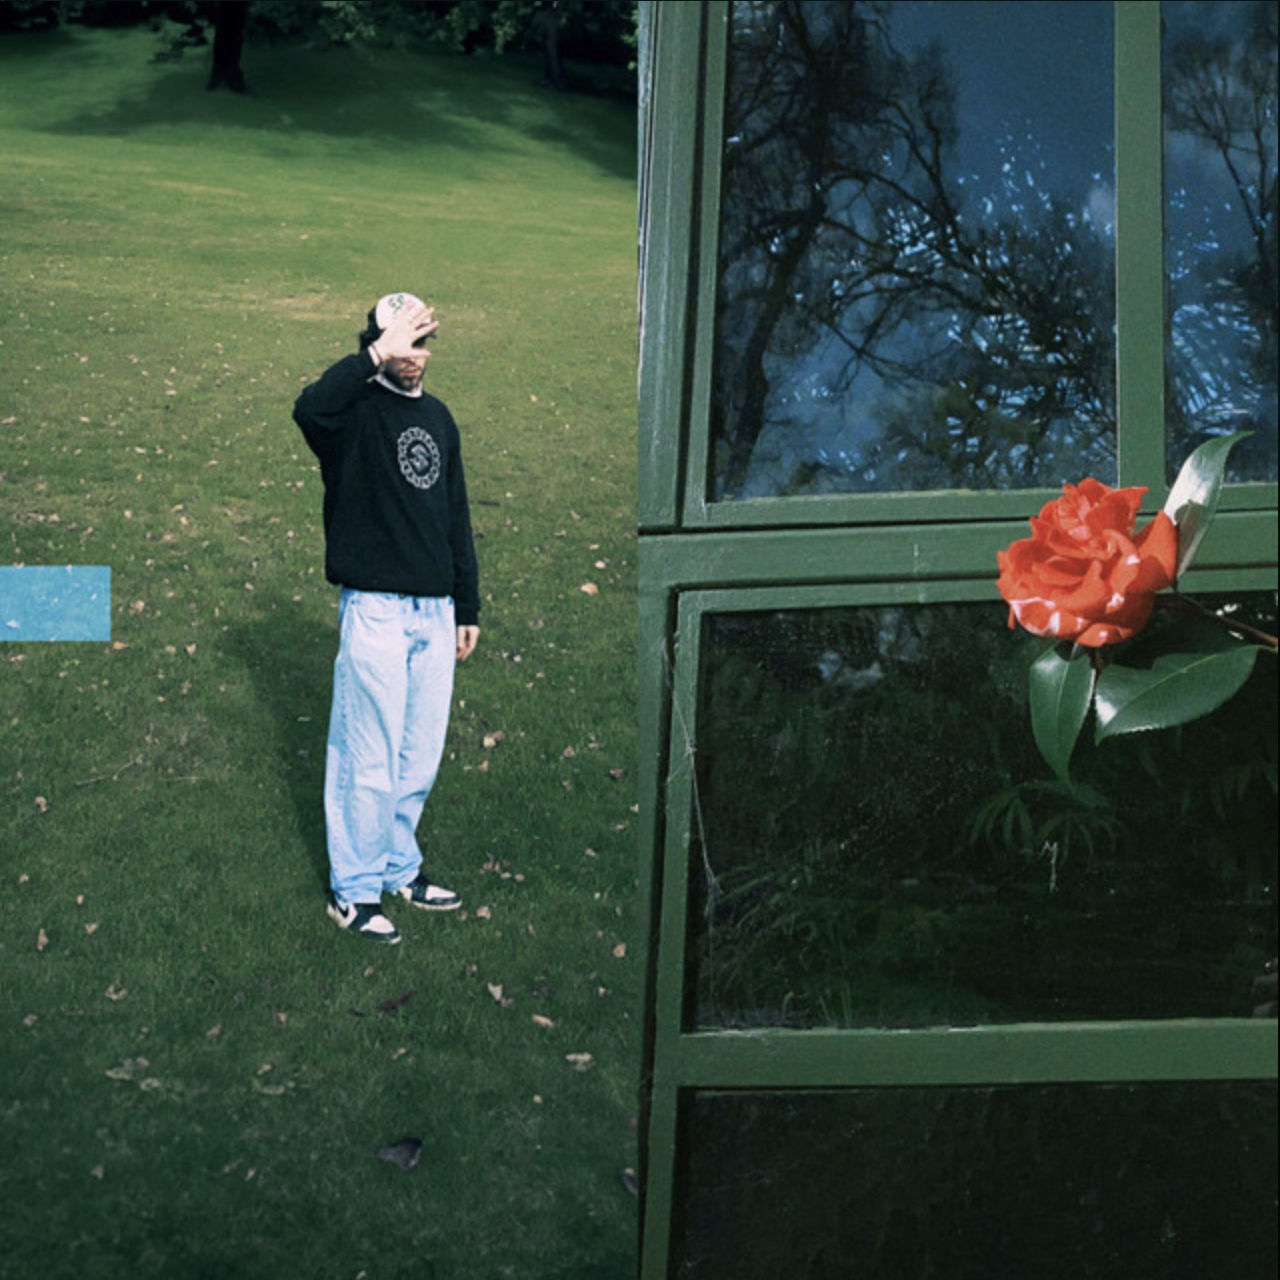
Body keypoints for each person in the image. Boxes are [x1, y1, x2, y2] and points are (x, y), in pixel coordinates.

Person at [294, 292, 481, 944]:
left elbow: (455, 517)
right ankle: (354, 892)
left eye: (420, 340)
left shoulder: (440, 419)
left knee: (416, 759)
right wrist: (374, 354)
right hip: (374, 611)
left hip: (434, 614)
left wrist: (467, 604)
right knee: (366, 760)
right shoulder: (350, 415)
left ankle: (400, 868)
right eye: (399, 341)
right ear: (378, 344)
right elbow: (307, 407)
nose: (412, 355)